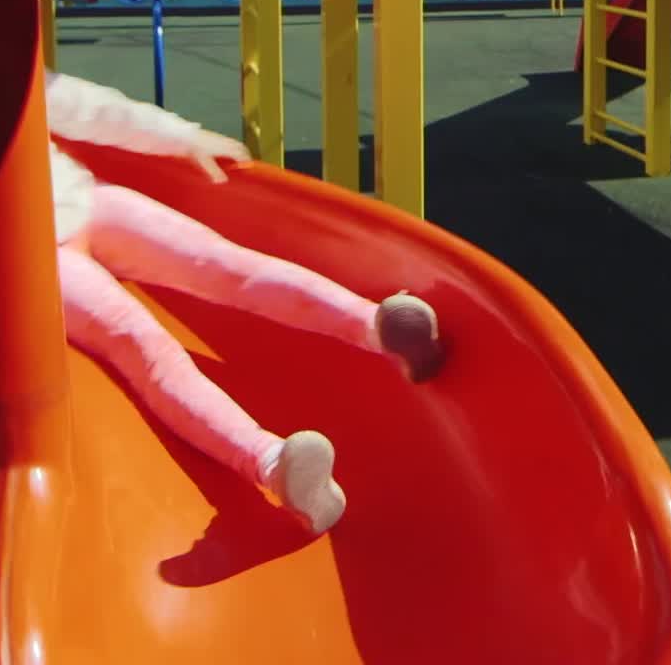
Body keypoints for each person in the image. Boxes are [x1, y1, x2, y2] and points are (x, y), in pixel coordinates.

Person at [44, 70, 442, 534]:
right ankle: (274, 464)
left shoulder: (7, 70)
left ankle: (381, 325)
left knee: (221, 263)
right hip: (33, 254)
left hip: (88, 202)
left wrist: (180, 137)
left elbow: (86, 106)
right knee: (140, 339)